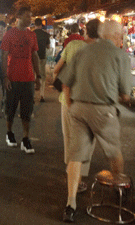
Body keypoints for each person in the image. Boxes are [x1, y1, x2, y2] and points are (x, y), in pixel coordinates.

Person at [61, 20, 131, 223]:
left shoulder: (83, 51)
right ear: (117, 37)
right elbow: (126, 95)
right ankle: (119, 192)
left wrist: (72, 105)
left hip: (78, 109)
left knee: (75, 157)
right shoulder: (120, 56)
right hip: (104, 111)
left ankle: (70, 204)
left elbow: (66, 84)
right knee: (114, 153)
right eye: (121, 36)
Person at [53, 19, 101, 195]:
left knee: (69, 138)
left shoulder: (73, 45)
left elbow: (56, 71)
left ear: (85, 31)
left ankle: (70, 174)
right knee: (86, 142)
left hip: (68, 102)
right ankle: (79, 178)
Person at [1, 6, 41, 154]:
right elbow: (4, 56)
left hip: (28, 78)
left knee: (27, 109)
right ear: (19, 17)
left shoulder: (32, 36)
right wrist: (5, 76)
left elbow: (35, 56)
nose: (30, 19)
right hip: (12, 77)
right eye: (27, 16)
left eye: (30, 16)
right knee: (10, 108)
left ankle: (25, 138)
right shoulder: (9, 34)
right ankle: (9, 133)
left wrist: (39, 76)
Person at [33, 18, 50, 102]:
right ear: (41, 24)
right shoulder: (46, 34)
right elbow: (48, 47)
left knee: (32, 75)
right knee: (42, 76)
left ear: (34, 24)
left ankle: (32, 96)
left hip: (32, 57)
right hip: (42, 57)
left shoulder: (31, 34)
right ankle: (42, 95)